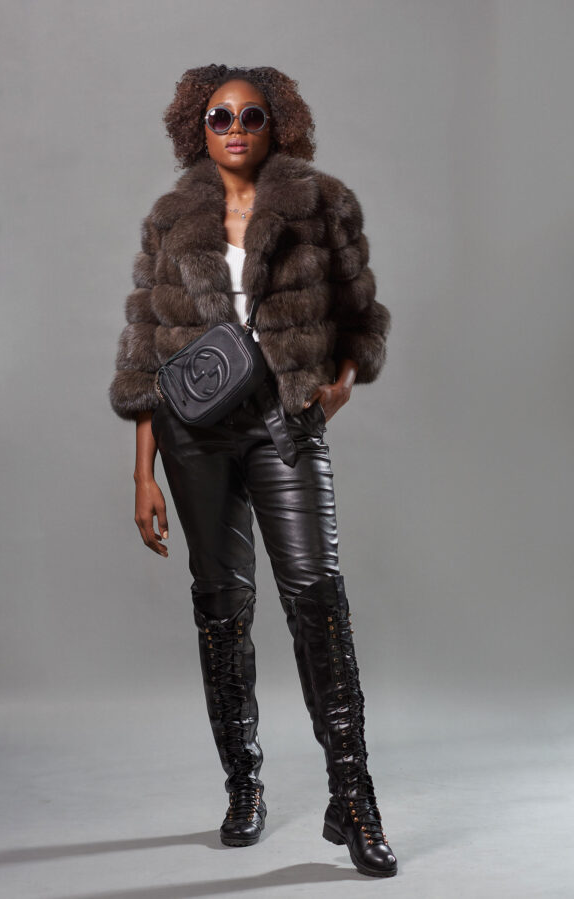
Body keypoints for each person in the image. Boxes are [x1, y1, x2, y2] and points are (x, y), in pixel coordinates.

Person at [108, 64, 396, 878]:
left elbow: (360, 315)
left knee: (316, 595)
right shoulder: (171, 220)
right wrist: (143, 473)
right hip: (193, 435)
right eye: (218, 116)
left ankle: (353, 798)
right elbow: (145, 357)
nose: (234, 128)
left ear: (279, 123)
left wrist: (339, 384)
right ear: (195, 128)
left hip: (283, 425)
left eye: (251, 115)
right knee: (221, 605)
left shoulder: (321, 204)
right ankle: (243, 784)